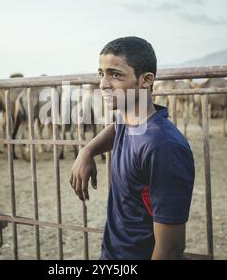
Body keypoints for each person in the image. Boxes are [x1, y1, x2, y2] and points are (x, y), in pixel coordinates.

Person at [70, 36, 195, 260]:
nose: (103, 84)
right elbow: (118, 128)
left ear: (146, 80)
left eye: (115, 75)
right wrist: (87, 150)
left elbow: (171, 248)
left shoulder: (163, 147)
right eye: (101, 74)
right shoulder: (130, 122)